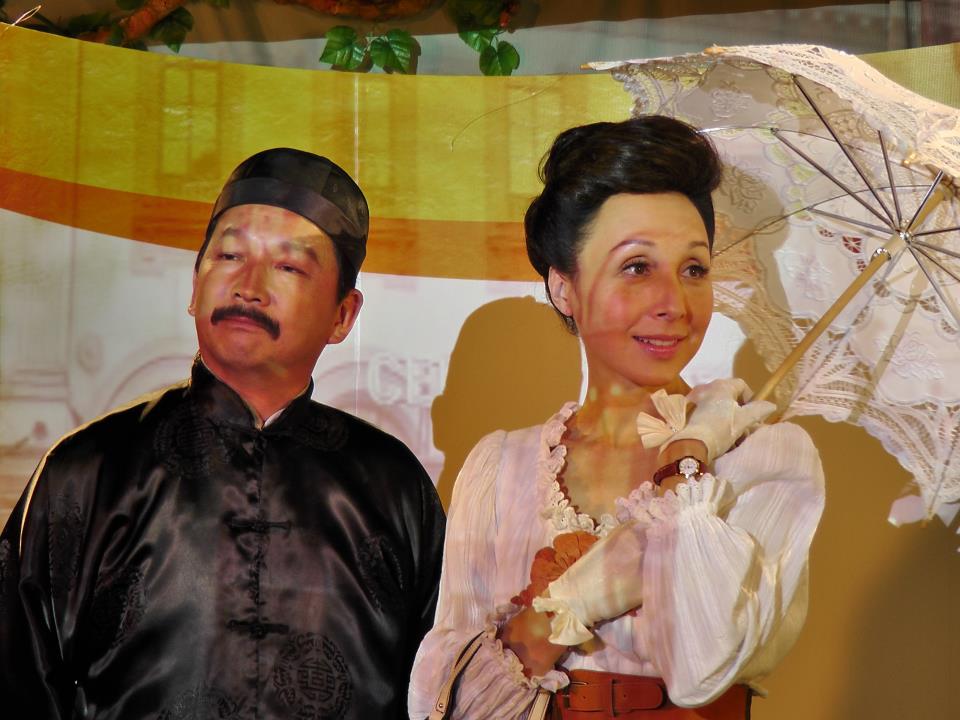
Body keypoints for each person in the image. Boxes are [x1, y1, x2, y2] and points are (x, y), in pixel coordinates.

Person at [0, 148, 445, 720]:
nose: (248, 287)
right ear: (194, 286)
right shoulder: (88, 469)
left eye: (289, 267)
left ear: (343, 315)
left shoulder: (394, 487)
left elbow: (440, 689)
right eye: (229, 255)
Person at [408, 117, 825, 719]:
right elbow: (446, 705)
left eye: (694, 269)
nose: (674, 304)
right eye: (637, 267)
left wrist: (686, 464)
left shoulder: (764, 457)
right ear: (564, 288)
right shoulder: (500, 468)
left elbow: (704, 666)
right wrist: (570, 604)